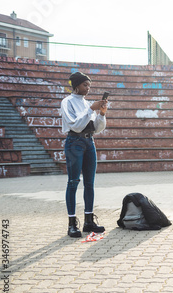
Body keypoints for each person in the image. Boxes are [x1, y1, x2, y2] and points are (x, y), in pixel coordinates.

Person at [60, 71, 108, 238]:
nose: (88, 88)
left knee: (90, 183)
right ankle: (72, 224)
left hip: (89, 142)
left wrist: (101, 113)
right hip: (74, 143)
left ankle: (89, 221)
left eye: (89, 85)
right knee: (73, 182)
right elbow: (76, 126)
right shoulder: (67, 102)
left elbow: (97, 127)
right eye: (85, 85)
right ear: (76, 86)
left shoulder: (87, 103)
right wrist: (90, 109)